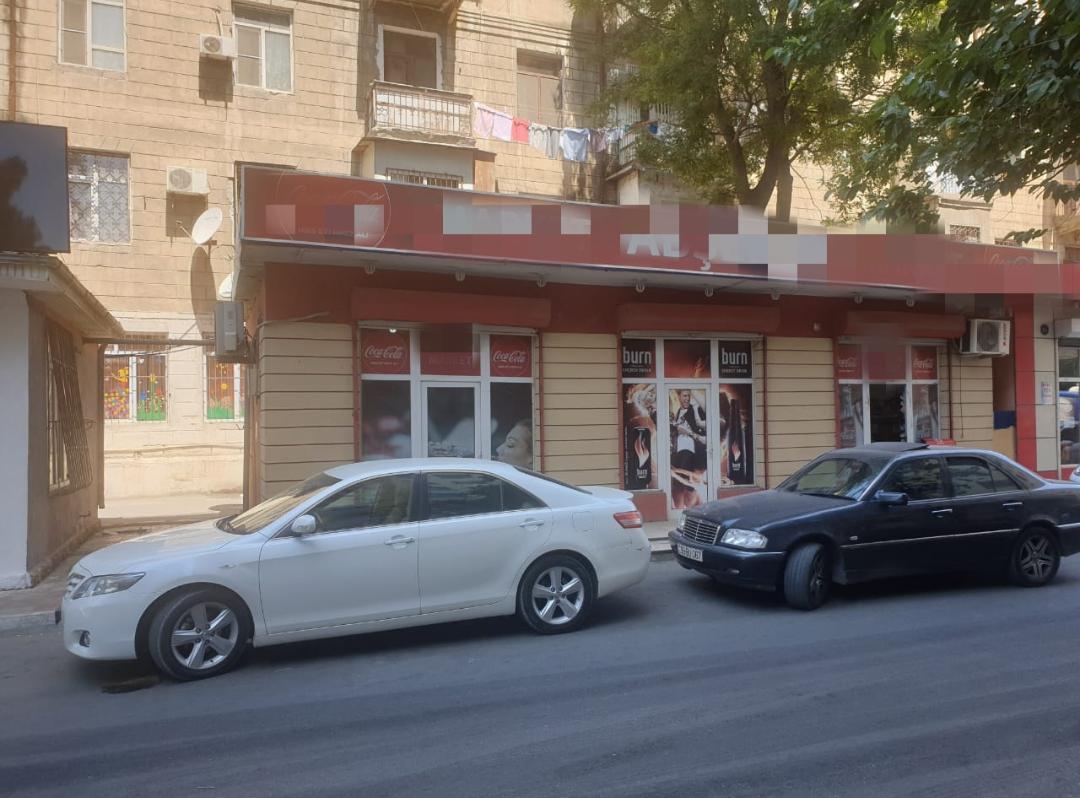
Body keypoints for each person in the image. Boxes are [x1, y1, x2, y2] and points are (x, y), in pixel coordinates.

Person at [671, 389, 706, 473]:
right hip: (678, 450)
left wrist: (689, 432)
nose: (687, 398)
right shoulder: (678, 412)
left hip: (690, 449)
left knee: (685, 475)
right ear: (679, 397)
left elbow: (702, 431)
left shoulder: (695, 410)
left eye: (688, 396)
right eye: (685, 396)